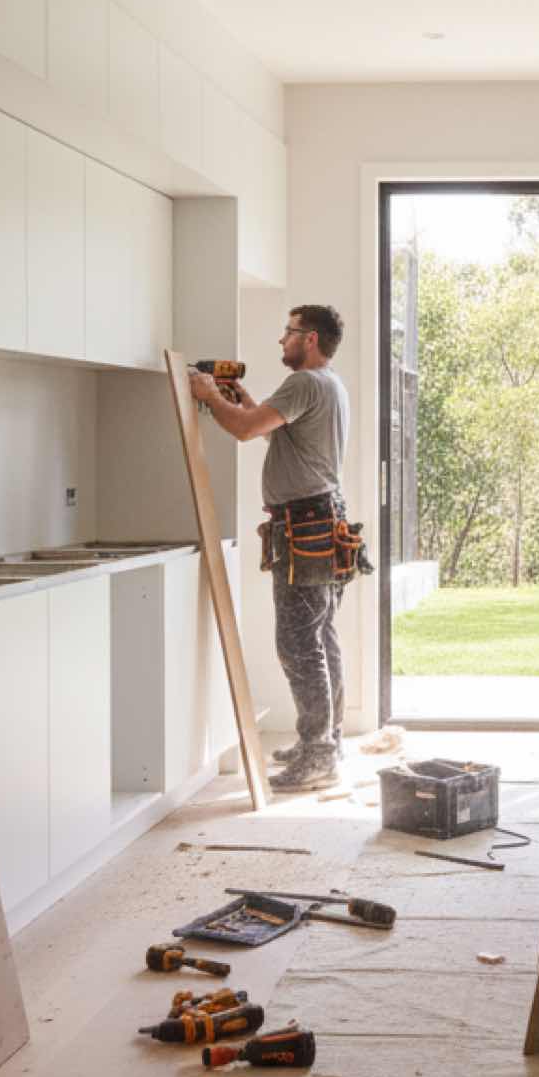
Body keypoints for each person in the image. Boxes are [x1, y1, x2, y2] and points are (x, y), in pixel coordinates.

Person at [189, 304, 352, 792]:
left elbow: (243, 430)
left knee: (300, 643)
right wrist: (241, 401)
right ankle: (325, 742)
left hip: (306, 527)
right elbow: (269, 429)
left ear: (311, 339)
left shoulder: (304, 383)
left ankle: (320, 752)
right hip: (322, 520)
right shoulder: (328, 384)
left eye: (290, 332)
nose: (282, 339)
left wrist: (205, 395)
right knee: (320, 637)